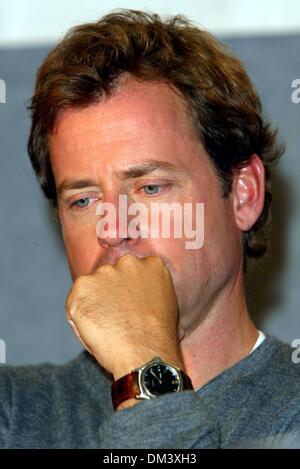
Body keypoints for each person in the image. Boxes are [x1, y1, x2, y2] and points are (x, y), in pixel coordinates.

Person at [0, 9, 299, 449]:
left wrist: (144, 370)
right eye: (83, 200)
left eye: (150, 187)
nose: (113, 228)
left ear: (243, 194)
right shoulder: (11, 413)